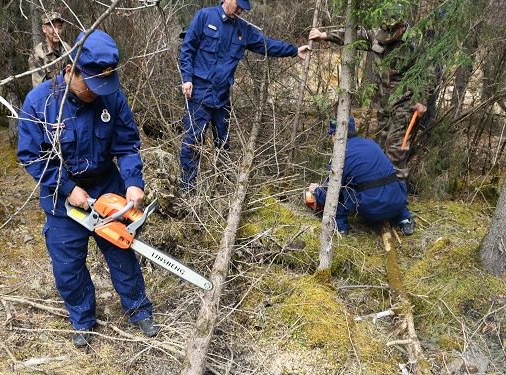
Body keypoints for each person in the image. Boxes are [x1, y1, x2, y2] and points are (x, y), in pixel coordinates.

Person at [18, 29, 157, 347]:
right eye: (91, 85)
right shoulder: (40, 102)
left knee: (122, 252)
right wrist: (66, 187)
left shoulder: (112, 96)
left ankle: (139, 310)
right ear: (71, 70)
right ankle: (82, 319)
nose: (97, 92)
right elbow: (31, 156)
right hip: (62, 197)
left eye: (103, 85)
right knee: (68, 265)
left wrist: (134, 183)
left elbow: (127, 144)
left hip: (107, 185)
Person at [179, 0, 310, 190]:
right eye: (238, 5)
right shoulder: (205, 16)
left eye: (243, 7)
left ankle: (220, 190)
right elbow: (187, 49)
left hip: (221, 98)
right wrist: (187, 78)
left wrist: (294, 50)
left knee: (223, 146)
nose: (240, 10)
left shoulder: (243, 30)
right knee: (192, 143)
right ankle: (188, 190)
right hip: (199, 93)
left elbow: (266, 44)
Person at [308, 7, 430, 179]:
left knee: (396, 153)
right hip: (384, 103)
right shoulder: (378, 33)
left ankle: (396, 195)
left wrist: (422, 99)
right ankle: (378, 193)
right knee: (380, 151)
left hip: (407, 104)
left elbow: (430, 72)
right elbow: (354, 36)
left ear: (402, 27)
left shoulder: (416, 41)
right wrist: (325, 35)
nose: (385, 39)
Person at [304, 117, 415, 235]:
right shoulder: (372, 144)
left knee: (343, 190)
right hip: (398, 201)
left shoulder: (340, 156)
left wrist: (317, 191)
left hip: (373, 210)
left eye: (331, 135)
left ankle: (340, 227)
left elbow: (331, 193)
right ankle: (404, 219)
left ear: (335, 135)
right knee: (387, 181)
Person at [28, 11, 71, 87]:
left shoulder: (67, 48)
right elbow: (39, 89)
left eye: (59, 27)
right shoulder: (37, 54)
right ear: (44, 29)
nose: (57, 31)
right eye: (52, 26)